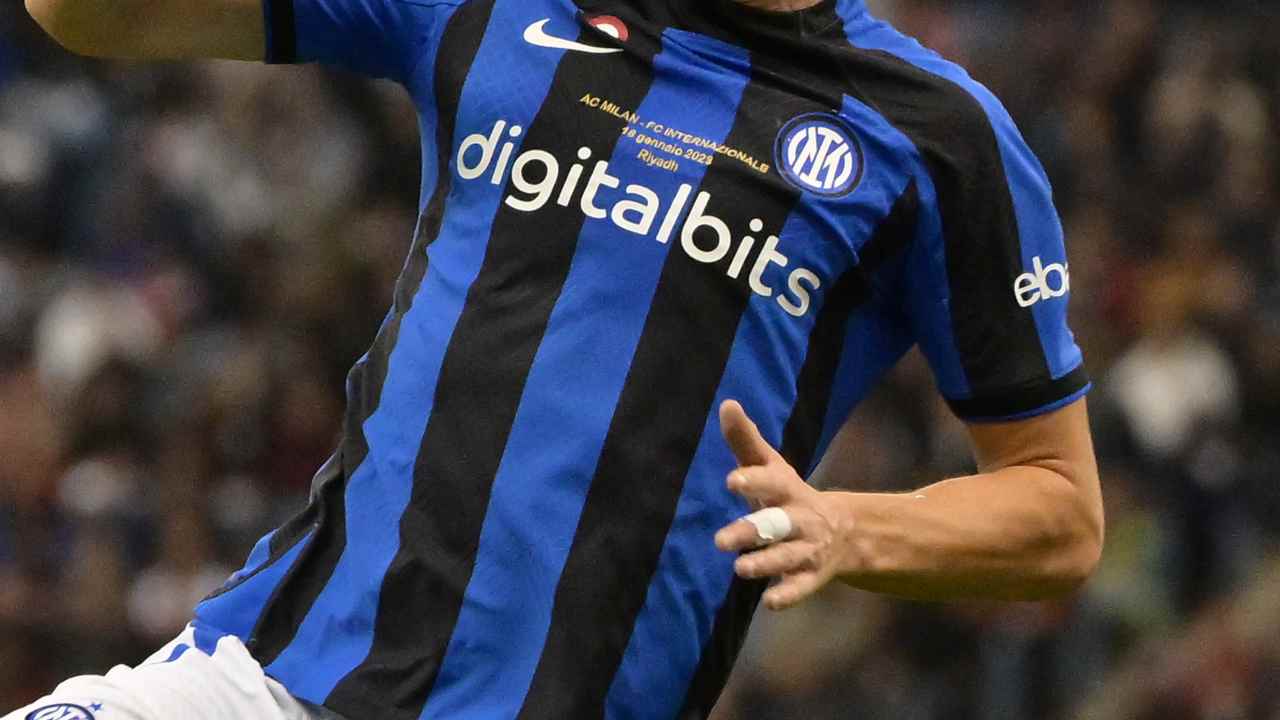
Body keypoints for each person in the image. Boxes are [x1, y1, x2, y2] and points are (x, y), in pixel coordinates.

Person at [10, 0, 1104, 718]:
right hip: (278, 677)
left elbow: (1058, 507)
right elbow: (87, 12)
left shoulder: (939, 139)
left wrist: (850, 528)